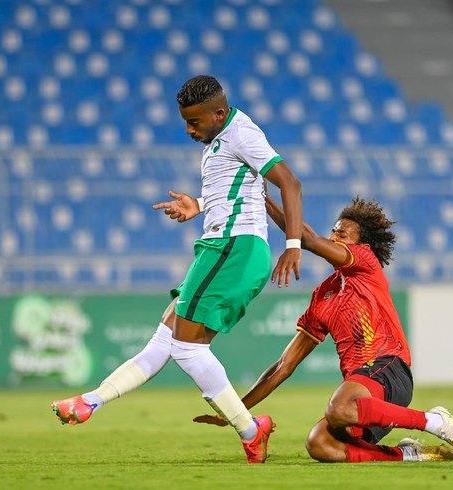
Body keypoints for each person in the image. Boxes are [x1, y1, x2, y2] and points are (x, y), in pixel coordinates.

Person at [51, 75, 304, 463]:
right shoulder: (221, 138)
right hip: (224, 247)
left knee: (186, 348)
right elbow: (242, 190)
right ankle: (92, 400)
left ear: (218, 113)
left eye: (195, 122)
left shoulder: (241, 133)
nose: (188, 129)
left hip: (233, 249)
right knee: (167, 335)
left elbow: (289, 182)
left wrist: (293, 245)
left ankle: (253, 431)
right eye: (185, 121)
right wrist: (199, 204)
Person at [194, 195, 453, 463]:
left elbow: (306, 238)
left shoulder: (366, 265)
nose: (332, 238)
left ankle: (435, 422)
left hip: (388, 368)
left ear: (360, 246)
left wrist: (264, 201)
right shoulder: (323, 296)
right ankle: (410, 453)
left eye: (341, 235)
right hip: (364, 396)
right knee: (319, 443)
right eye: (332, 233)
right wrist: (237, 411)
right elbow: (283, 366)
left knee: (338, 408)